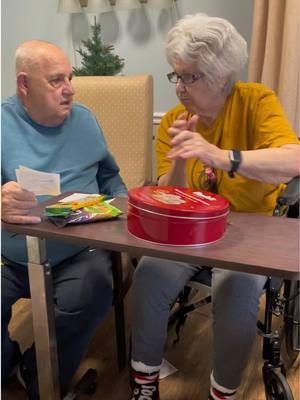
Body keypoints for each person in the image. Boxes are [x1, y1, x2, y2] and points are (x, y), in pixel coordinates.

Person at [129, 13, 299, 400]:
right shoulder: (175, 119)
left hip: (250, 228)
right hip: (191, 230)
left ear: (220, 75)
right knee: (150, 271)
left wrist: (222, 156)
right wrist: (180, 160)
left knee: (237, 286)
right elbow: (163, 196)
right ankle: (144, 383)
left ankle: (222, 391)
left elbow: (293, 160)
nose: (179, 88)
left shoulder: (256, 101)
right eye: (176, 75)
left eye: (189, 76)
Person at [1, 40, 127, 399]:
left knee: (92, 291)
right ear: (24, 85)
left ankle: (39, 375)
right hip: (11, 256)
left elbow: (111, 179)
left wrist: (124, 206)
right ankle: (7, 363)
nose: (70, 89)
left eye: (70, 78)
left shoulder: (85, 120)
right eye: (56, 81)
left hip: (78, 253)